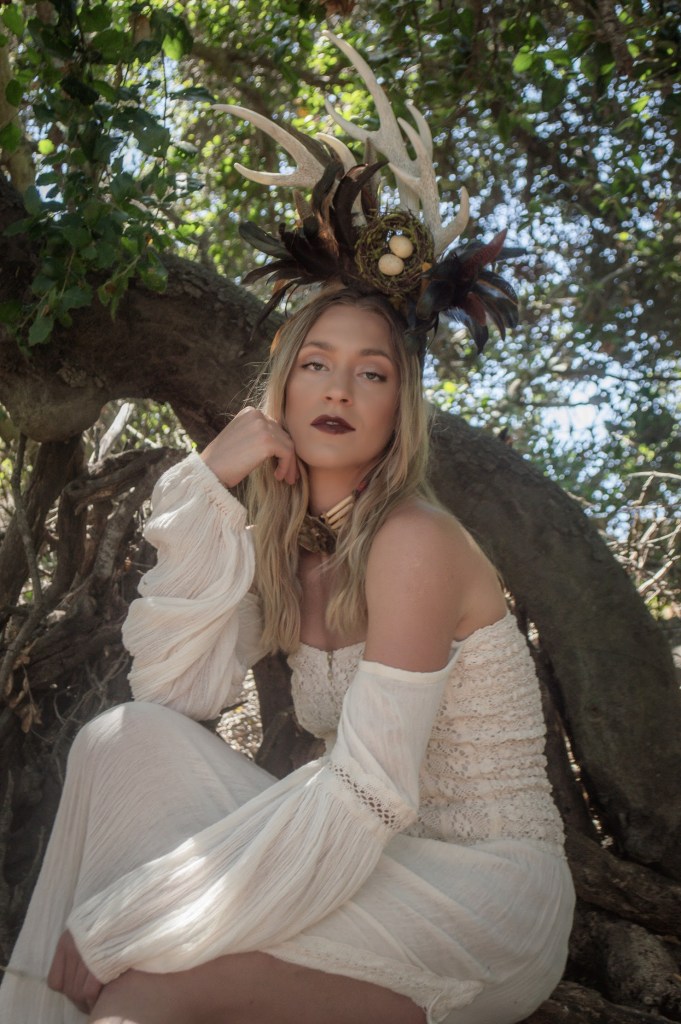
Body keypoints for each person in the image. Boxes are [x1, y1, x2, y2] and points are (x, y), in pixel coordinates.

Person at [0, 32, 575, 1024]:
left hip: (479, 891)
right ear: (282, 385)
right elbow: (173, 698)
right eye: (317, 362)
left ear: (401, 409)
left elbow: (368, 794)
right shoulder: (290, 543)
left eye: (373, 371)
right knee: (118, 742)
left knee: (144, 983)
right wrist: (207, 490)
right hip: (372, 850)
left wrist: (129, 917)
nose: (341, 386)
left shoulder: (414, 541)